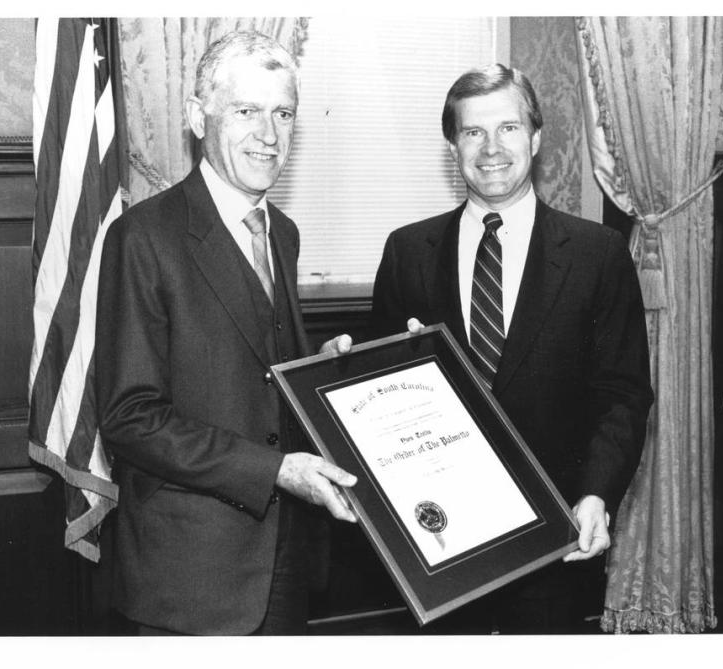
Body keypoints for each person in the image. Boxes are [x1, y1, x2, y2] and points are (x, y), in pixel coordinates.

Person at [369, 64, 653, 633]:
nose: (492, 148)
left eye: (509, 128)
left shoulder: (598, 255)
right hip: (436, 542)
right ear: (453, 144)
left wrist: (597, 496)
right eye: (473, 132)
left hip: (555, 534)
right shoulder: (407, 251)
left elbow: (622, 395)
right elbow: (380, 392)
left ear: (537, 137)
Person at [95, 30, 356, 636]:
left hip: (285, 560)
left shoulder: (281, 233)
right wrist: (274, 472)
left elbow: (259, 371)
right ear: (197, 117)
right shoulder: (144, 238)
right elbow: (131, 417)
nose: (269, 136)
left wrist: (320, 370)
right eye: (246, 112)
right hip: (191, 578)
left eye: (283, 113)